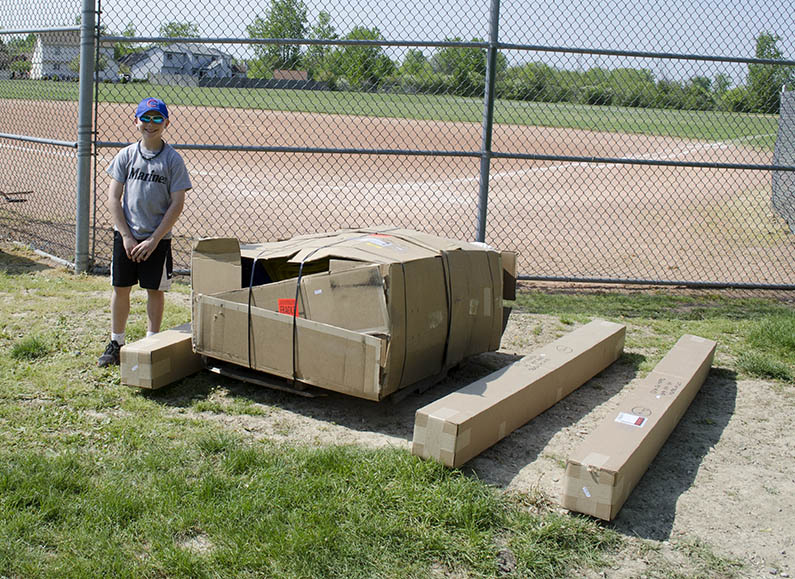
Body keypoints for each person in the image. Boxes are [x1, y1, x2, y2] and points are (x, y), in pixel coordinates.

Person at [98, 97, 192, 367]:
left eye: (157, 118)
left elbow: (177, 203)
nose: (151, 124)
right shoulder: (126, 155)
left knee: (154, 289)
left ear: (166, 123)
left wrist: (154, 239)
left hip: (157, 239)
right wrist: (126, 236)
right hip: (126, 236)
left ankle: (152, 341)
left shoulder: (173, 160)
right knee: (121, 287)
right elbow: (113, 198)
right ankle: (117, 342)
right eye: (145, 118)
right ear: (136, 120)